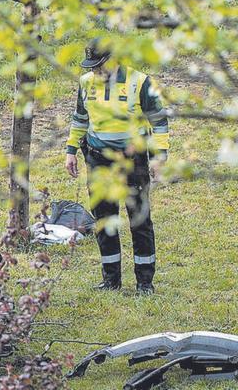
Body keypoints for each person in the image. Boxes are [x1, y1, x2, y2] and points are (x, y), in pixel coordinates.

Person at [64, 38, 170, 295]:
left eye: (99, 66)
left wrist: (159, 156)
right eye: (91, 67)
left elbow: (159, 121)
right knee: (104, 219)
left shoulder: (140, 82)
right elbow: (80, 118)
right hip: (98, 159)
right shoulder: (86, 82)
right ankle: (111, 280)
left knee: (139, 220)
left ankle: (145, 282)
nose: (94, 72)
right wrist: (71, 150)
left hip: (132, 160)